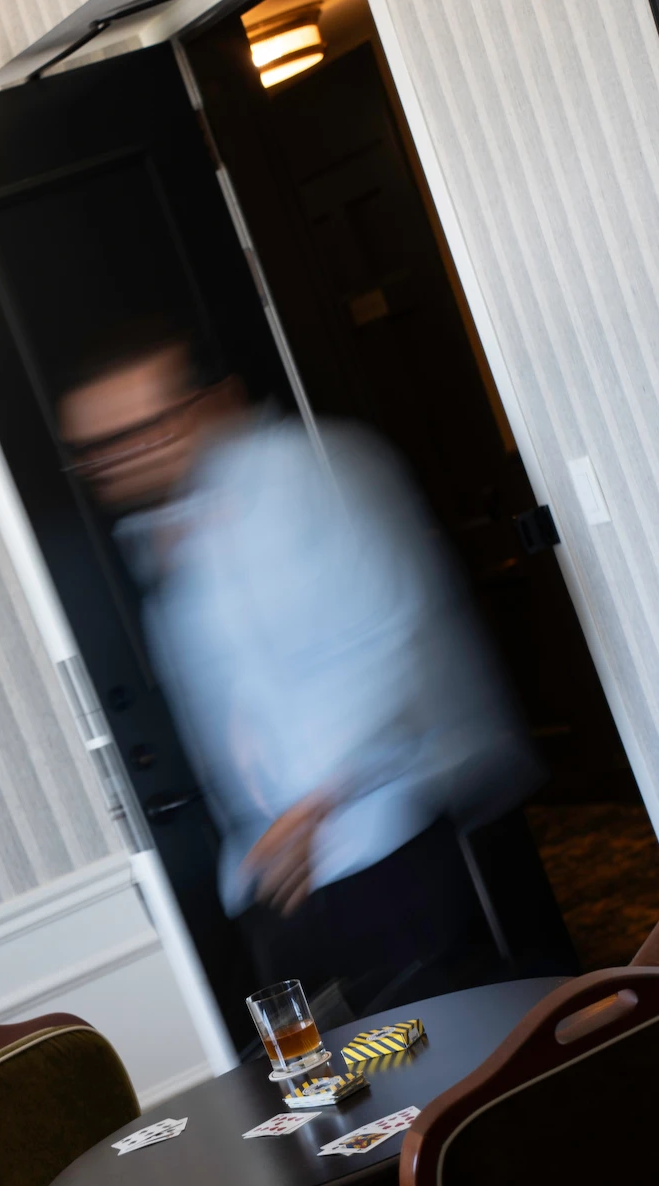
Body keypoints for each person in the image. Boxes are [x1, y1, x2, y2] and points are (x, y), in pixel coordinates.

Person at [58, 323, 545, 1022]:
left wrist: (312, 806)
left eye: (145, 429)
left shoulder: (312, 472)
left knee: (456, 1045)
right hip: (275, 875)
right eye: (98, 448)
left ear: (213, 401)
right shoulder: (166, 536)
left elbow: (395, 636)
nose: (124, 457)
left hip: (386, 840)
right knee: (344, 1074)